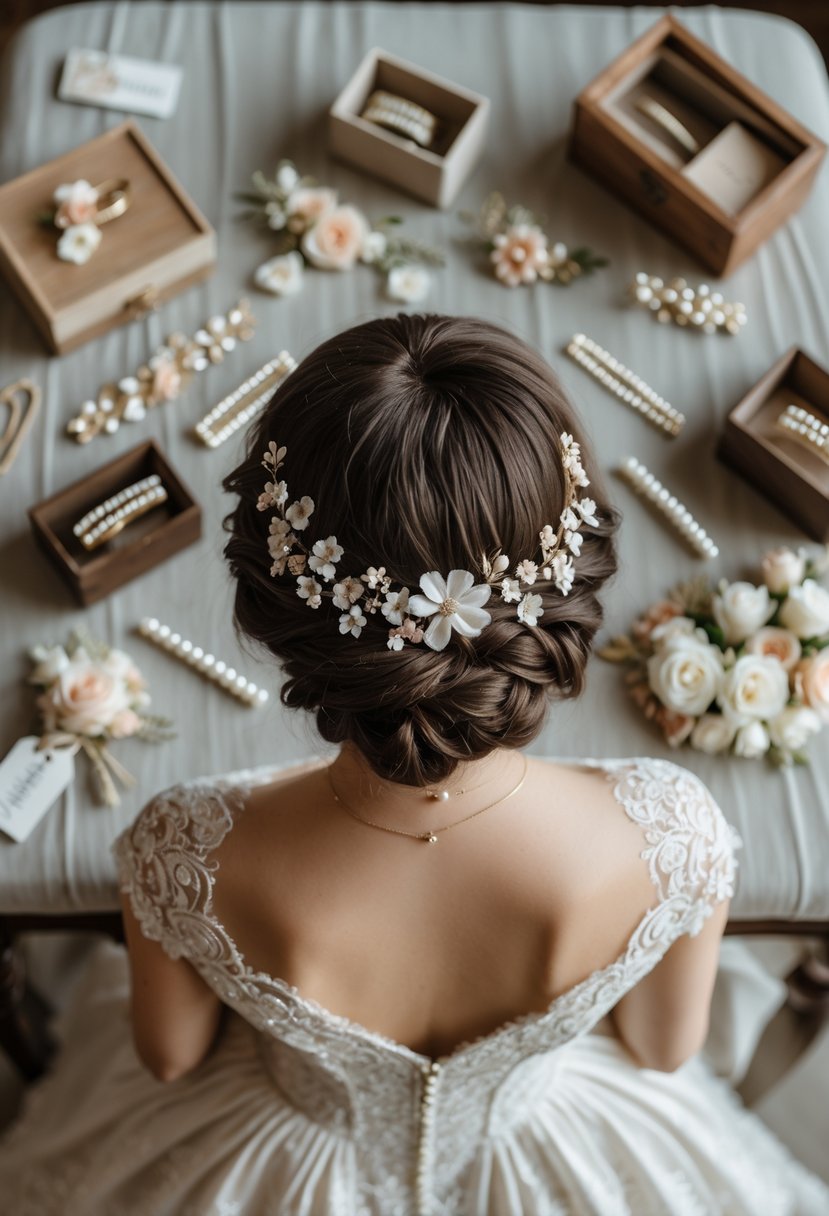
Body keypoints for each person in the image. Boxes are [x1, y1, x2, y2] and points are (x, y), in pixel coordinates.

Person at [0, 314, 826, 1216]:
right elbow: (665, 1050)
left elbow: (169, 1056)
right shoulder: (672, 830)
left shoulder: (186, 842)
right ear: (569, 574)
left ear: (276, 605)